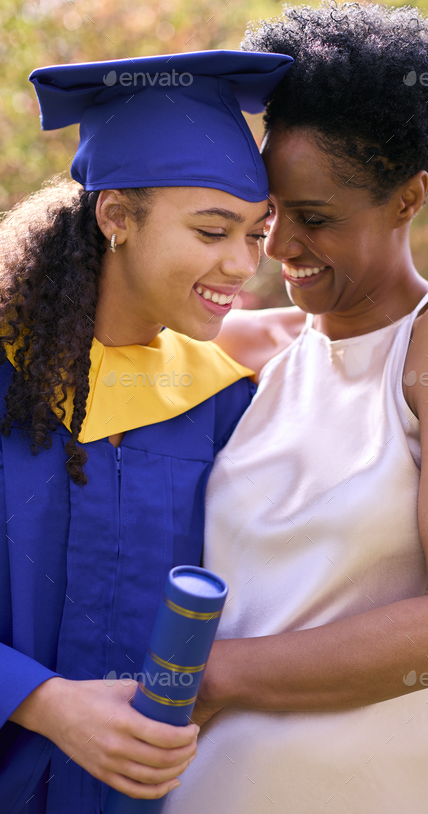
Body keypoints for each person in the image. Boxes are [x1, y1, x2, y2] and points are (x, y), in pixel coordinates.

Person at [163, 3, 428, 814]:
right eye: (271, 212)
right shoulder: (242, 349)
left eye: (317, 218)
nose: (281, 246)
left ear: (408, 197)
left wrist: (206, 676)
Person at [0, 48, 292, 814]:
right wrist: (41, 700)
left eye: (256, 234)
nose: (241, 264)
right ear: (116, 216)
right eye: (211, 230)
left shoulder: (219, 403)